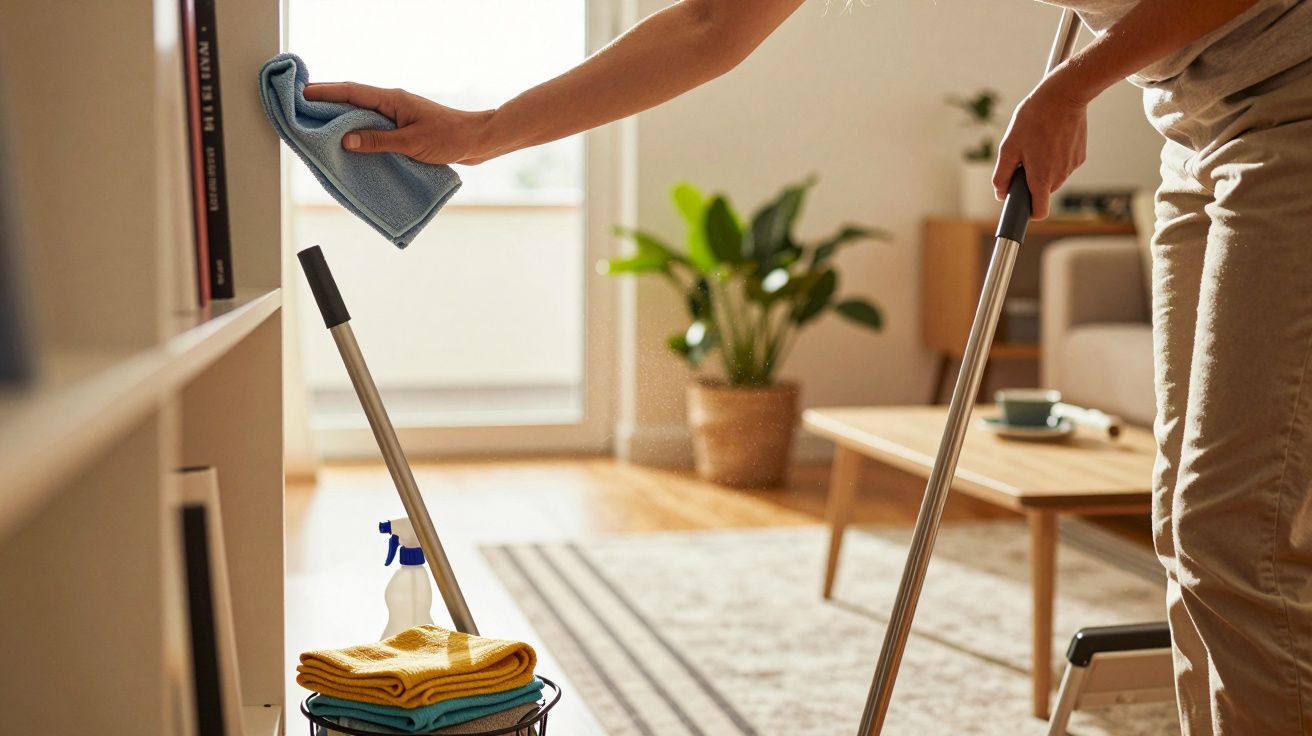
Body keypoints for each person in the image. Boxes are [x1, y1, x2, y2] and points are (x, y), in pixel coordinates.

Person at [306, 1, 1312, 731]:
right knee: (1193, 527)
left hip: (1294, 107)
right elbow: (708, 25)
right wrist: (480, 134)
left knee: (1236, 531)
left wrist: (1072, 83)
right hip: (1196, 125)